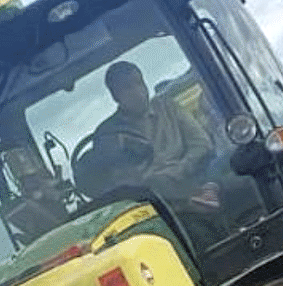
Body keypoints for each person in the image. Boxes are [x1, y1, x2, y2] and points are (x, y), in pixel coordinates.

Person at [79, 61, 218, 207]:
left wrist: (179, 169)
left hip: (193, 184)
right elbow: (115, 182)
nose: (137, 91)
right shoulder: (107, 135)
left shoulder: (168, 108)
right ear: (115, 96)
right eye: (127, 88)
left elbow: (202, 144)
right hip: (151, 204)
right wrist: (151, 182)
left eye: (139, 83)